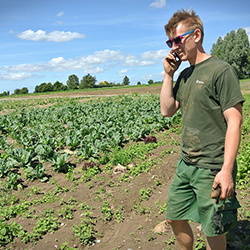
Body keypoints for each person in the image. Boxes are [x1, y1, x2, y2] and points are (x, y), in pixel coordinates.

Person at [160, 9, 245, 250]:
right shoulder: (184, 75)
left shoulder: (221, 70)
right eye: (170, 42)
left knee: (212, 230)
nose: (174, 46)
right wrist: (168, 75)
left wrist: (226, 170)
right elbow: (167, 110)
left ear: (196, 35)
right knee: (174, 217)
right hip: (185, 164)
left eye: (177, 40)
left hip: (212, 167)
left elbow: (235, 122)